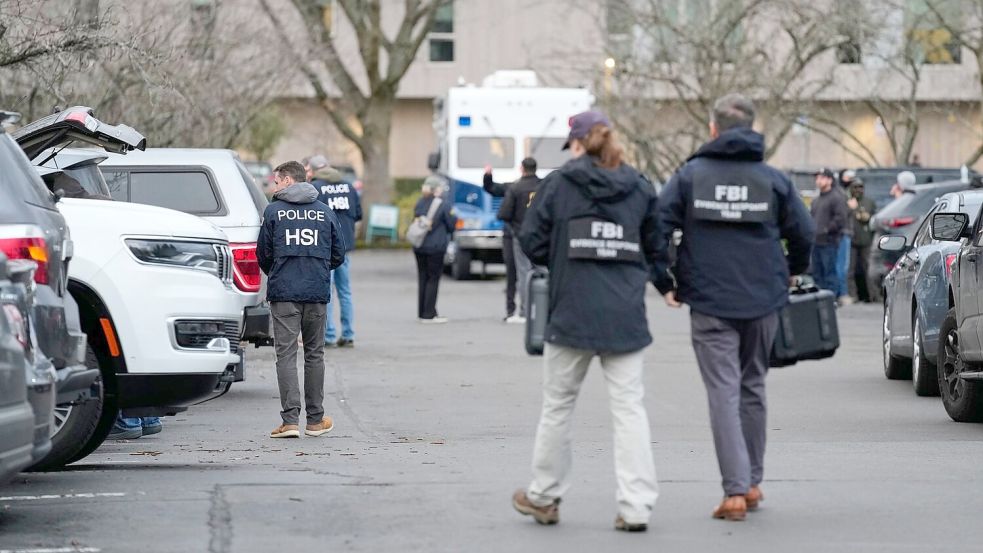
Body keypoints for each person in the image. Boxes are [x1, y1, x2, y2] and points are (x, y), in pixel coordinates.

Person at [653, 93, 814, 521]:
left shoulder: (690, 176)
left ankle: (735, 491)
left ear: (713, 129)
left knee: (724, 391)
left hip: (708, 300)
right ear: (752, 128)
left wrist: (665, 280)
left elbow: (656, 226)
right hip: (763, 297)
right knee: (753, 386)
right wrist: (792, 270)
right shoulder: (773, 180)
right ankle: (753, 482)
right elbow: (804, 231)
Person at [513, 110, 659, 533]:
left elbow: (532, 241)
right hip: (624, 314)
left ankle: (544, 495)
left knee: (558, 406)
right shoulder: (639, 186)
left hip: (571, 310)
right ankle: (636, 507)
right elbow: (655, 245)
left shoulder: (558, 185)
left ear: (577, 144)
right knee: (630, 409)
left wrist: (561, 259)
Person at [257, 161, 345, 439]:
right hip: (316, 292)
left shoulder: (273, 212)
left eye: (277, 180)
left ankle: (290, 421)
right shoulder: (325, 212)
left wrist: (280, 272)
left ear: (288, 181)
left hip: (284, 293)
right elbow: (338, 254)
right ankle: (316, 421)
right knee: (315, 354)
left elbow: (263, 254)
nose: (274, 185)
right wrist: (316, 272)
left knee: (285, 355)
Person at [313, 161, 363, 348]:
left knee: (327, 292)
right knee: (345, 291)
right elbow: (358, 214)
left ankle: (329, 335)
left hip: (325, 248)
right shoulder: (349, 187)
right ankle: (349, 333)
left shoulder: (317, 188)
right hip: (345, 246)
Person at [496, 157, 542, 324]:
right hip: (541, 235)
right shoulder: (543, 186)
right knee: (542, 272)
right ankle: (543, 309)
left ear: (522, 168)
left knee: (523, 273)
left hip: (520, 235)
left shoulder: (516, 188)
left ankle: (524, 311)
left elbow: (503, 214)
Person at [412, 176, 457, 323]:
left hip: (419, 245)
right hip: (436, 247)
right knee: (433, 279)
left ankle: (422, 312)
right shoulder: (443, 204)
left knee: (422, 278)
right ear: (436, 189)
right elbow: (451, 225)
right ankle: (429, 314)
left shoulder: (419, 202)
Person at [483, 166, 519, 321]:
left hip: (511, 235)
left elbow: (490, 188)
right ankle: (529, 309)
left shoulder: (511, 188)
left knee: (511, 275)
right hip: (531, 236)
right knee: (528, 274)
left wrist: (487, 175)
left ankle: (511, 310)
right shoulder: (539, 186)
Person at [810, 168, 849, 294]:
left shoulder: (836, 198)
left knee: (830, 273)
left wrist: (826, 230)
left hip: (829, 242)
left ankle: (831, 300)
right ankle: (819, 301)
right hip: (816, 242)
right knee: (817, 274)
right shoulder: (816, 200)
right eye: (817, 178)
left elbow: (841, 219)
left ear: (830, 180)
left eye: (822, 178)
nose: (818, 181)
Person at [847, 179, 877, 302]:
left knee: (868, 268)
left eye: (860, 187)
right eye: (855, 187)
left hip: (865, 240)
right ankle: (853, 295)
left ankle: (872, 295)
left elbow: (866, 218)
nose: (858, 190)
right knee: (850, 269)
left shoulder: (868, 202)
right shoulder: (846, 202)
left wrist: (855, 208)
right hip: (850, 240)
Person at [835, 170, 855, 306]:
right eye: (848, 177)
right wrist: (850, 207)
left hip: (843, 233)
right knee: (842, 265)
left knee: (841, 265)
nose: (851, 180)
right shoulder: (840, 194)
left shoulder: (843, 192)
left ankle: (840, 292)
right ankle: (841, 293)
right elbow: (841, 214)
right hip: (843, 233)